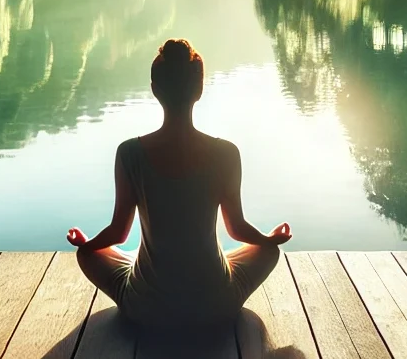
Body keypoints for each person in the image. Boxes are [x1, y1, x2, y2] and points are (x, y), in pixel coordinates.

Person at [66, 38, 292, 328]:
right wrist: (269, 239)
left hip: (146, 305)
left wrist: (86, 244)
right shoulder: (226, 153)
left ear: (154, 90)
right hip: (215, 303)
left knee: (88, 257)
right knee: (268, 253)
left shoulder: (129, 153)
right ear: (199, 89)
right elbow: (236, 229)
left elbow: (118, 233)